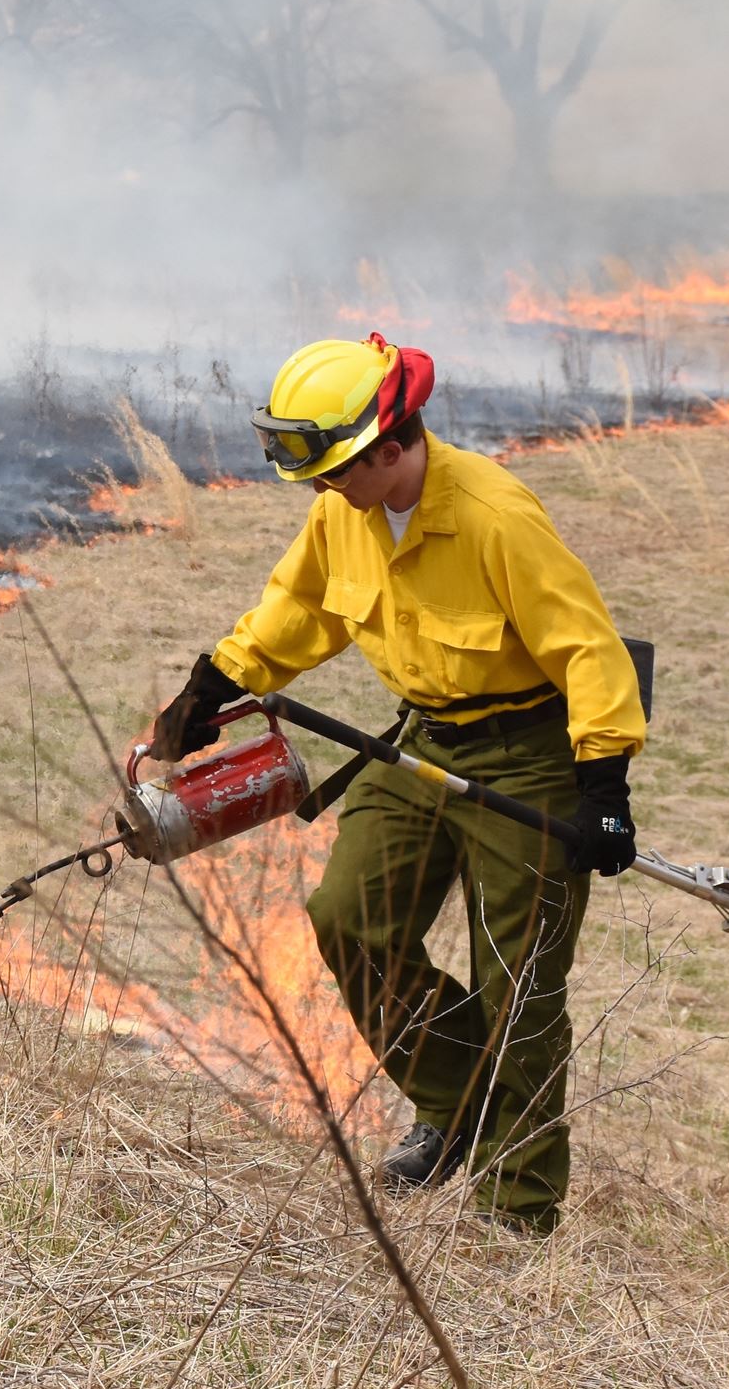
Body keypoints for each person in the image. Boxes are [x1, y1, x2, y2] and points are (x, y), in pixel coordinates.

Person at [148, 333, 646, 1233]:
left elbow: (586, 648)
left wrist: (603, 791)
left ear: (389, 447)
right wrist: (213, 683)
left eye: (331, 470)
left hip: (530, 754)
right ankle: (457, 1103)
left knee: (520, 984)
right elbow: (298, 607)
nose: (316, 490)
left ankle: (517, 1211)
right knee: (349, 918)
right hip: (424, 742)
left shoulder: (496, 516)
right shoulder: (347, 508)